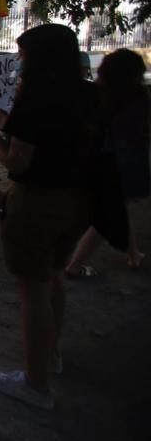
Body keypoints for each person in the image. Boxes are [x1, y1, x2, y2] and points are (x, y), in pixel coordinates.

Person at [0, 23, 97, 410]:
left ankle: (34, 383)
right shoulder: (87, 95)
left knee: (32, 291)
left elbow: (15, 159)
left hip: (37, 203)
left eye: (22, 57)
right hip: (77, 201)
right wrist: (4, 122)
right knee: (54, 276)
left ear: (39, 59)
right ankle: (50, 357)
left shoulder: (36, 97)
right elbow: (55, 138)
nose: (18, 64)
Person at [65, 48, 148, 275]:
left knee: (117, 208)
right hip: (122, 163)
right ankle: (75, 264)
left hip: (109, 160)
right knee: (109, 213)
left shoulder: (102, 96)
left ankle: (132, 253)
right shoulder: (134, 99)